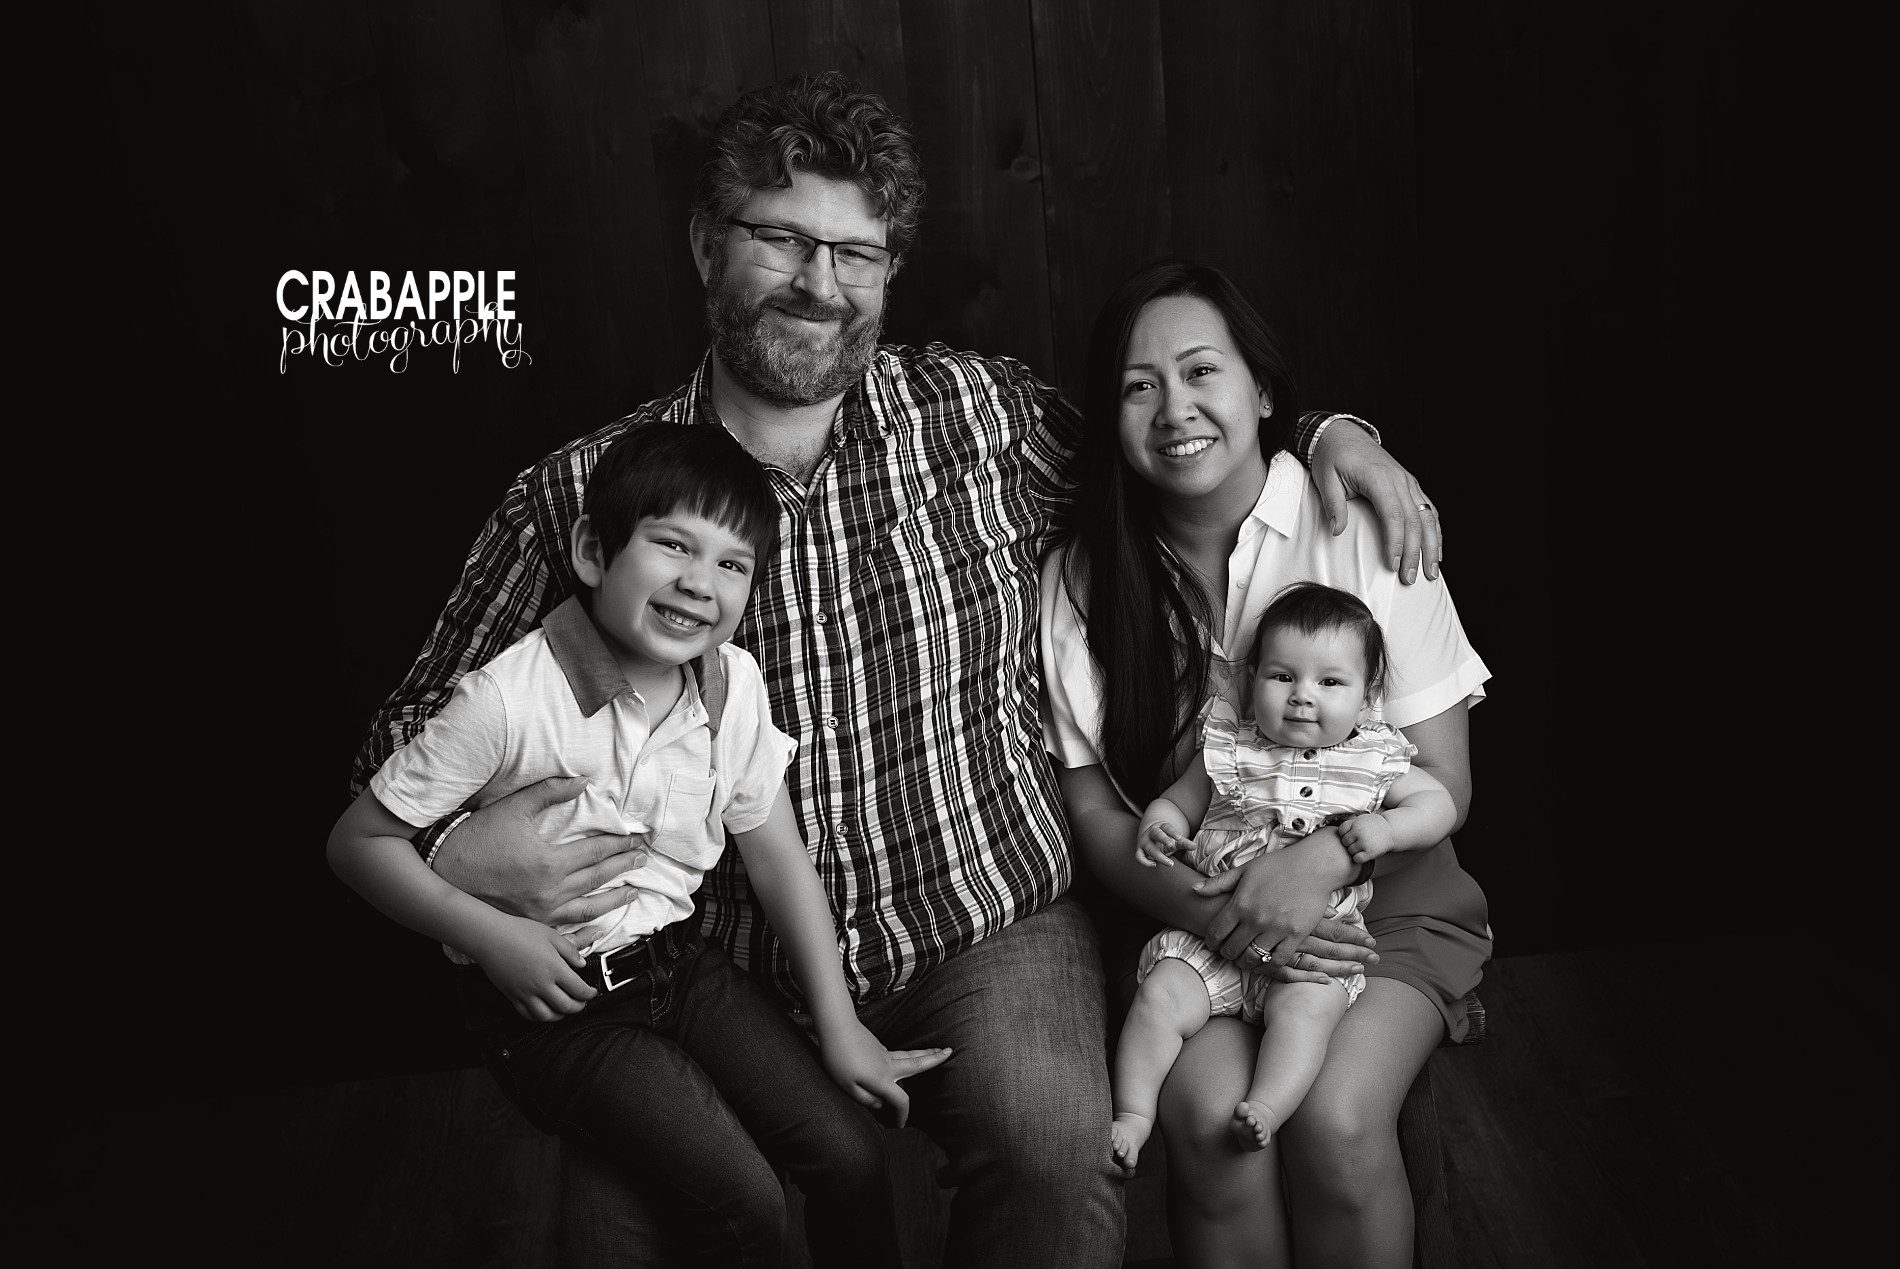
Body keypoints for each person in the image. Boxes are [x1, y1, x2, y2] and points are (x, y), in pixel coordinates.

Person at [351, 73, 1441, 1268]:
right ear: (709, 244)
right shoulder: (587, 494)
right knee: (632, 1238)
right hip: (713, 966)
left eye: (856, 254)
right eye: (783, 240)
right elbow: (404, 733)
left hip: (984, 922)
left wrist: (1330, 432)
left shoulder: (980, 419)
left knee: (1053, 1157)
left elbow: (1176, 443)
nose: (821, 285)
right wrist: (461, 850)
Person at [330, 424, 947, 1267]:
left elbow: (773, 852)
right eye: (672, 545)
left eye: (732, 563)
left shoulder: (732, 684)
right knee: (746, 1200)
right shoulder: (509, 700)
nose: (700, 582)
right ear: (593, 552)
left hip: (679, 966)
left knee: (850, 1156)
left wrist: (840, 1026)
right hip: (558, 1011)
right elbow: (357, 842)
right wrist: (491, 934)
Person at [1041, 259, 1491, 1267]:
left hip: (1379, 915)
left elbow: (1446, 786)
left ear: (1264, 394)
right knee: (1211, 1132)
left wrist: (1322, 865)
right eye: (1136, 385)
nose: (1174, 409)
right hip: (1194, 919)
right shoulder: (1079, 575)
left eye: (1202, 371)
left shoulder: (1361, 525)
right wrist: (1230, 921)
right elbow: (1095, 813)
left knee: (1332, 1122)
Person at [1108, 582, 1457, 1177]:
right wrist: (1160, 827)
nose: (1302, 697)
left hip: (1311, 947)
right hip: (1210, 938)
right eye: (1281, 677)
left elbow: (1439, 803)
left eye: (1330, 682)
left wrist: (1388, 831)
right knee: (1160, 996)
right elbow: (1176, 803)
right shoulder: (1227, 749)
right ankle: (1133, 1116)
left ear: (1367, 694)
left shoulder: (1373, 760)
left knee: (1307, 1013)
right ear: (1251, 683)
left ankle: (1266, 1107)